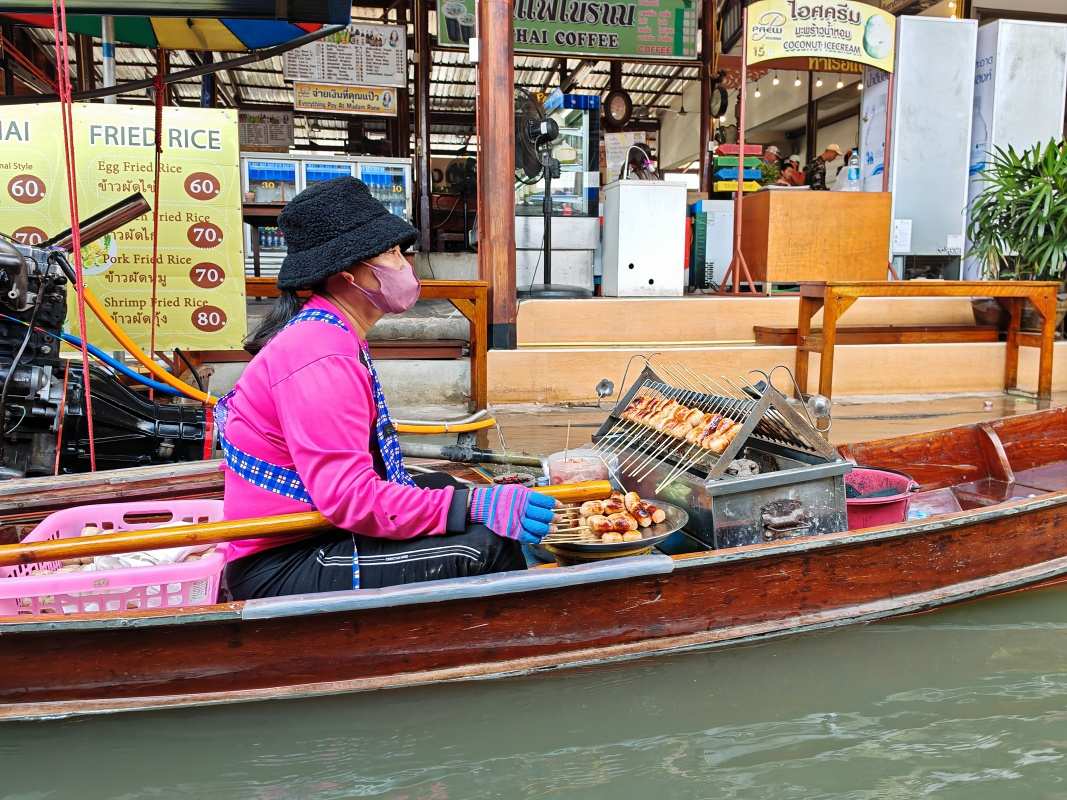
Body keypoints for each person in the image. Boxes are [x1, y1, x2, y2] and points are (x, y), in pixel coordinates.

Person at [219, 177, 556, 600]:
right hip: (286, 559)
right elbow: (349, 499)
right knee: (485, 546)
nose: (405, 266)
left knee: (444, 484)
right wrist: (473, 507)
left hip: (312, 531)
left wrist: (464, 499)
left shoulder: (333, 333)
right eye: (393, 254)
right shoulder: (319, 354)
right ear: (350, 276)